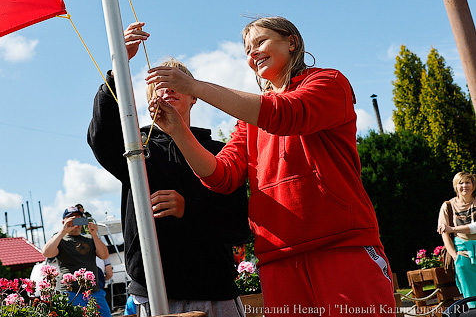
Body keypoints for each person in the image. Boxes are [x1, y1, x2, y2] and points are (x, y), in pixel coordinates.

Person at [145, 16, 394, 316]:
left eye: (260, 42)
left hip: (341, 246)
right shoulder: (249, 119)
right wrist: (177, 131)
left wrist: (194, 86)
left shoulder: (328, 82)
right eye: (247, 49)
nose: (252, 53)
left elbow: (286, 114)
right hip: (276, 258)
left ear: (292, 41)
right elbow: (220, 176)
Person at [89, 22, 250, 317]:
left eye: (177, 84)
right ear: (150, 99)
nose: (168, 89)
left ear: (194, 96)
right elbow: (101, 138)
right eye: (159, 85)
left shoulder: (218, 151)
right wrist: (118, 65)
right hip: (155, 291)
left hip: (215, 289)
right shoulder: (137, 149)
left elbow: (238, 226)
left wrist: (187, 208)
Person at [42, 206, 113, 317]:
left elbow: (104, 255)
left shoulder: (90, 238)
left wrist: (94, 235)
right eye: (71, 218)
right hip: (71, 292)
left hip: (93, 291)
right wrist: (63, 231)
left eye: (78, 218)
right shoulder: (61, 240)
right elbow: (46, 252)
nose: (75, 222)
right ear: (63, 222)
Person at [438, 172, 476, 308]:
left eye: (468, 182)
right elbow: (444, 234)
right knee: (471, 296)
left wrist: (452, 229)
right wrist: (455, 256)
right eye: (461, 183)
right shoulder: (448, 206)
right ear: (456, 186)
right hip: (463, 254)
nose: (464, 186)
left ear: (473, 185)